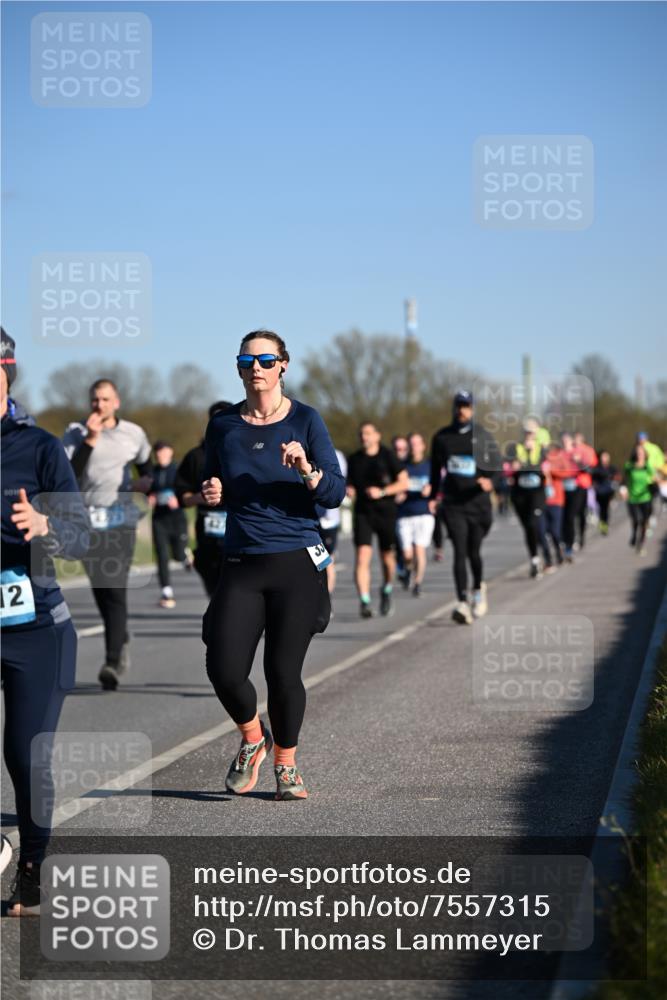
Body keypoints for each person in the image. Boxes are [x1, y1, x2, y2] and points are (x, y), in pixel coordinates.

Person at [201, 330, 345, 801]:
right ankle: (252, 739)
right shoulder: (223, 425)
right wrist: (212, 492)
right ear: (239, 368)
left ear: (284, 365)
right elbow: (211, 477)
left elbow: (334, 493)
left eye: (266, 358)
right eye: (248, 359)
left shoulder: (305, 420)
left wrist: (306, 469)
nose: (257, 367)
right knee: (223, 667)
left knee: (283, 672)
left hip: (296, 562)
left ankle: (286, 763)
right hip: (243, 559)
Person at [1, 329, 88, 915]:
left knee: (25, 755)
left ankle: (32, 867)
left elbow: (82, 539)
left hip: (35, 629)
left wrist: (45, 527)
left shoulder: (40, 447)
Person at [63, 379, 152, 690]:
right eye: (94, 400)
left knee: (114, 587)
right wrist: (90, 439)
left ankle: (112, 661)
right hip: (86, 522)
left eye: (104, 399)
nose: (98, 405)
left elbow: (146, 466)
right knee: (100, 587)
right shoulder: (75, 433)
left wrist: (147, 484)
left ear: (116, 402)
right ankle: (121, 635)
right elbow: (69, 475)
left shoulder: (133, 434)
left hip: (121, 520)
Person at [429, 390, 500, 623]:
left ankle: (478, 590)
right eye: (459, 405)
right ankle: (461, 602)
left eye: (467, 406)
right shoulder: (441, 438)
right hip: (454, 504)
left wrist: (490, 481)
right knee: (459, 551)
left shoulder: (482, 436)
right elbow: (434, 472)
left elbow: (497, 468)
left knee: (473, 552)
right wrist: (432, 496)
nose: (462, 410)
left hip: (478, 504)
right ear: (454, 408)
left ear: (472, 409)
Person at [346, 422, 408, 618]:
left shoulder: (387, 455)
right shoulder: (354, 459)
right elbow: (349, 483)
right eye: (361, 434)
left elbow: (404, 482)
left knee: (387, 558)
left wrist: (382, 492)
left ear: (377, 436)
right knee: (362, 557)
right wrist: (350, 490)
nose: (364, 437)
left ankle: (387, 589)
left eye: (368, 433)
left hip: (386, 512)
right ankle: (364, 601)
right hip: (363, 513)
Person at [175, 401, 233, 597]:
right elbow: (182, 497)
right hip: (208, 535)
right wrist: (201, 497)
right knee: (215, 593)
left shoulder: (246, 451)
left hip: (240, 534)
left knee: (235, 593)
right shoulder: (196, 456)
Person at [148, 440, 191, 609]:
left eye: (164, 452)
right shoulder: (152, 472)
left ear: (171, 453)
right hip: (159, 519)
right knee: (162, 555)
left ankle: (185, 555)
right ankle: (166, 591)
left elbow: (187, 490)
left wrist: (178, 500)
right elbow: (147, 489)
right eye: (158, 453)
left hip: (177, 518)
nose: (161, 456)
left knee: (178, 555)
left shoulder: (179, 470)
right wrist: (149, 496)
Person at [508, 426, 550, 578]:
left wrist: (532, 457)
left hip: (536, 494)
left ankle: (544, 555)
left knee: (533, 524)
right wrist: (513, 467)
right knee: (527, 527)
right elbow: (507, 467)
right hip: (520, 494)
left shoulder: (541, 450)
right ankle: (534, 558)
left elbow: (546, 468)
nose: (528, 436)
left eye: (531, 433)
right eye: (526, 432)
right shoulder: (516, 448)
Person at [395, 432, 434, 596]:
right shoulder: (402, 466)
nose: (414, 447)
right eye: (412, 444)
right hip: (404, 514)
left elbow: (440, 486)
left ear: (423, 446)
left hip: (423, 513)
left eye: (418, 443)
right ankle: (407, 570)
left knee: (419, 550)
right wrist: (398, 494)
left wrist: (432, 492)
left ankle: (417, 583)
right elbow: (395, 486)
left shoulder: (430, 465)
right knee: (407, 554)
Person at [317, 447, 348, 602]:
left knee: (326, 560)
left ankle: (326, 598)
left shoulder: (337, 455)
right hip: (308, 518)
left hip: (328, 519)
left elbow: (339, 483)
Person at [621, 444, 655, 556]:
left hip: (645, 497)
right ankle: (634, 535)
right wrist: (623, 489)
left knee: (644, 522)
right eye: (638, 452)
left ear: (645, 454)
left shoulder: (647, 466)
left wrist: (655, 480)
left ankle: (640, 544)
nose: (640, 454)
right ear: (635, 454)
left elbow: (654, 477)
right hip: (633, 498)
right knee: (635, 520)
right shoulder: (629, 466)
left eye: (642, 452)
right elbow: (624, 479)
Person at [572, 431, 598, 551]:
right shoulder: (569, 450)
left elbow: (592, 467)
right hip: (569, 485)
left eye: (577, 438)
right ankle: (571, 538)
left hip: (582, 485)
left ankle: (581, 537)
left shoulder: (588, 450)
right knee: (571, 514)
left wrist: (579, 461)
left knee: (580, 513)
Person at [592, 450, 618, 535]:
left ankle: (605, 526)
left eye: (606, 456)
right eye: (603, 456)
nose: (605, 458)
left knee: (606, 510)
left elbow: (617, 477)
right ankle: (602, 523)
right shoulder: (597, 468)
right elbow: (593, 479)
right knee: (600, 510)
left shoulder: (612, 468)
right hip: (599, 492)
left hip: (608, 492)